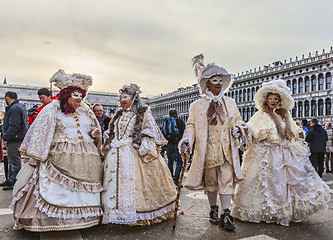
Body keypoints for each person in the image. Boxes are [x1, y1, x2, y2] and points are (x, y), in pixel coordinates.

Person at [10, 69, 103, 232]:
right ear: (67, 94)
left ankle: (84, 217)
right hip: (59, 154)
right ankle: (55, 220)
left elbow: (91, 128)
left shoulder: (86, 110)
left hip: (86, 156)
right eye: (75, 95)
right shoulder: (53, 108)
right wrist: (37, 155)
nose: (79, 99)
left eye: (81, 95)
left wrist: (93, 133)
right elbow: (41, 131)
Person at [231, 80, 331, 226]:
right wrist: (244, 129)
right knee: (265, 182)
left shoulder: (285, 114)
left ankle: (286, 211)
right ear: (266, 99)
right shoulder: (260, 115)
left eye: (276, 98)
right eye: (270, 98)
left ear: (280, 100)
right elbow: (251, 129)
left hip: (284, 152)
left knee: (289, 181)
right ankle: (265, 211)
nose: (273, 101)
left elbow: (292, 131)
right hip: (265, 153)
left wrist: (297, 133)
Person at [178, 54, 245, 231]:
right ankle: (213, 209)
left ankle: (226, 214)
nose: (218, 83)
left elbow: (237, 119)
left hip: (227, 150)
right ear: (206, 83)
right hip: (207, 151)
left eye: (220, 80)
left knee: (227, 181)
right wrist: (187, 139)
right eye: (214, 80)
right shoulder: (197, 105)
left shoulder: (230, 103)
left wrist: (239, 128)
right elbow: (191, 125)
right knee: (212, 183)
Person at [101, 83, 177, 225]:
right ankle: (114, 212)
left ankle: (133, 211)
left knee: (132, 181)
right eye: (121, 97)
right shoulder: (118, 114)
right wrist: (109, 135)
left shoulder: (143, 112)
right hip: (115, 151)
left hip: (132, 151)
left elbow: (149, 128)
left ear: (134, 98)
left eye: (126, 97)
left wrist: (146, 143)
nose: (123, 100)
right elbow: (114, 131)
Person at [1, 91, 28, 190]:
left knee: (14, 160)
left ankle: (14, 181)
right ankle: (11, 179)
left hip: (14, 138)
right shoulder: (18, 107)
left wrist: (6, 136)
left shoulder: (14, 108)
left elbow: (14, 126)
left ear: (7, 97)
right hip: (16, 137)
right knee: (12, 160)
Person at [162, 108, 185, 185]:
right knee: (179, 161)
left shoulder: (167, 121)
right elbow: (184, 132)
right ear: (176, 114)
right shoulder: (180, 121)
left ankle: (170, 177)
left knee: (170, 161)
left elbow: (163, 132)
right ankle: (176, 177)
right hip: (178, 143)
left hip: (169, 143)